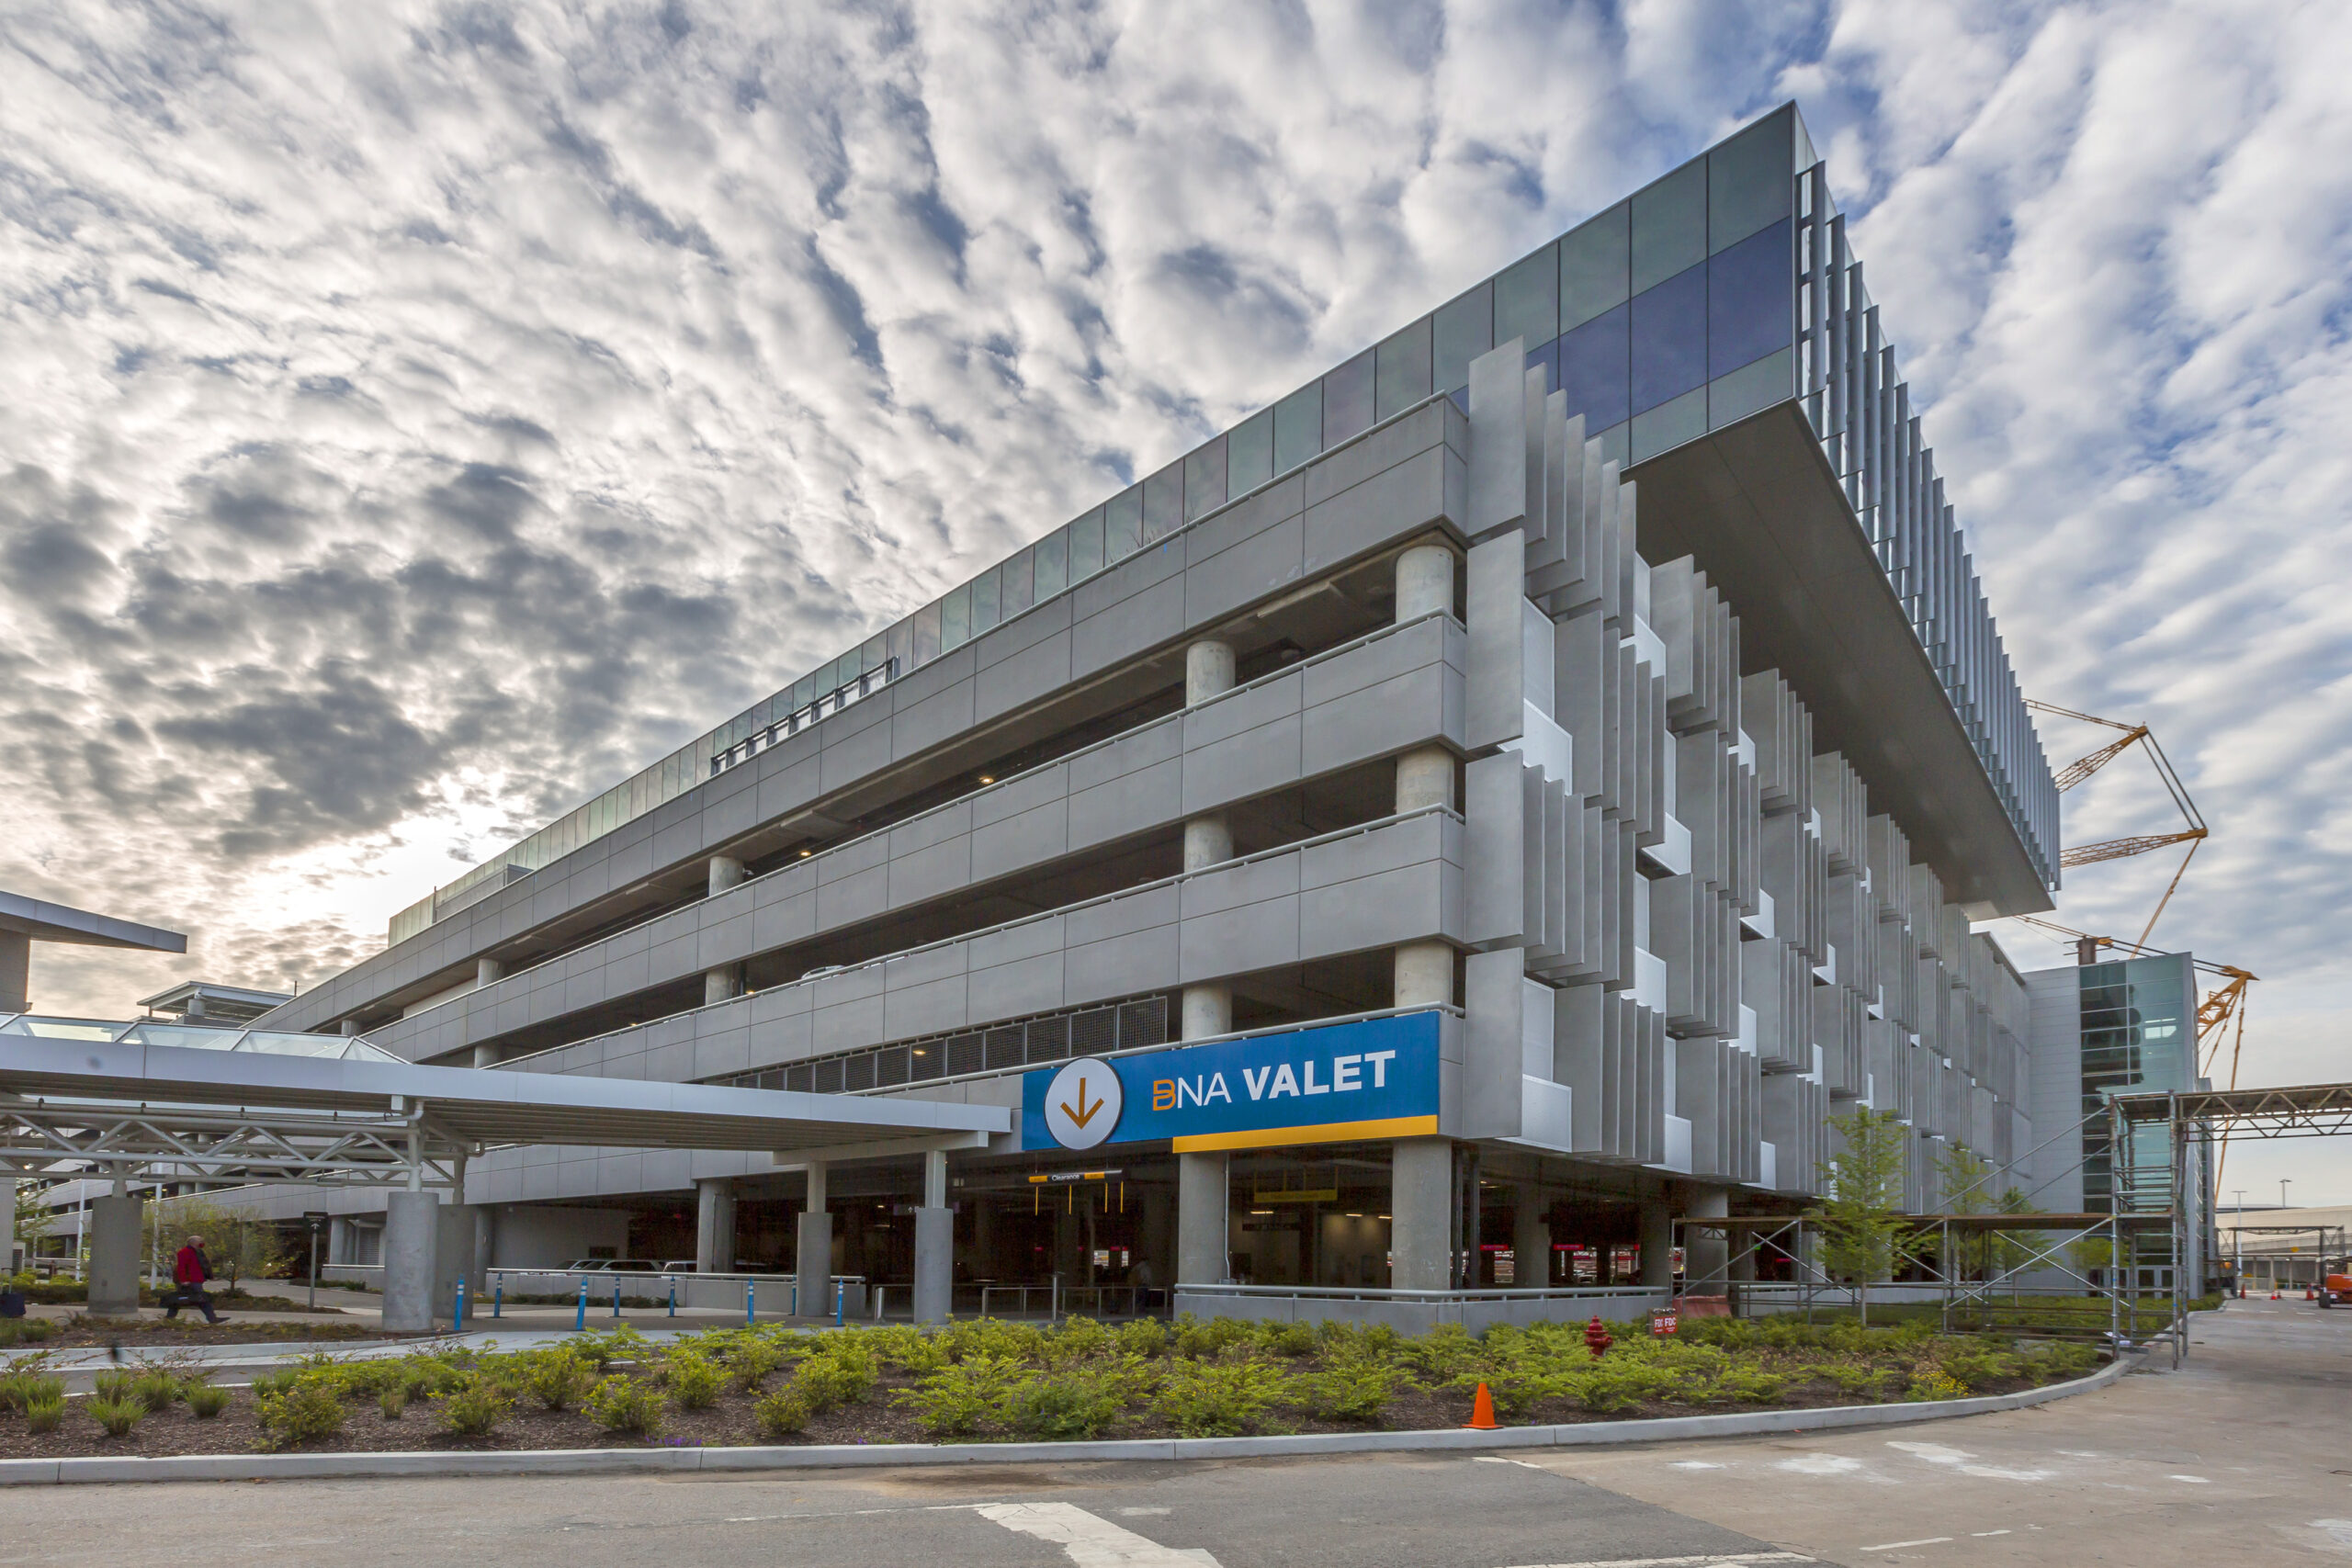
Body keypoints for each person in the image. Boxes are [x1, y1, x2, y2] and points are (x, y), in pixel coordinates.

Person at [164, 1234, 222, 1324]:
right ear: (194, 1242)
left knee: (182, 1299)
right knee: (201, 1299)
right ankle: (212, 1318)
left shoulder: (198, 1252)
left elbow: (203, 1265)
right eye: (200, 1241)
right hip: (190, 1280)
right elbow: (181, 1267)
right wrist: (183, 1280)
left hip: (196, 1279)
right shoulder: (184, 1252)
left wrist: (208, 1276)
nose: (202, 1243)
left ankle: (169, 1318)